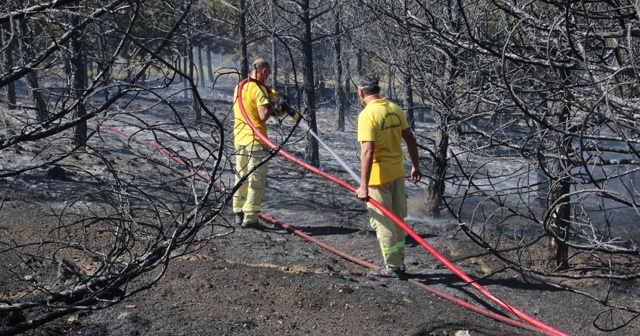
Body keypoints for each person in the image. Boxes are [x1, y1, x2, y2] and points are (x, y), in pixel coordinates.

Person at [354, 73, 422, 278]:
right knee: (398, 219)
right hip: (398, 174)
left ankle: (392, 267)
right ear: (378, 90)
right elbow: (410, 139)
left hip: (378, 179)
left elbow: (367, 151)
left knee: (382, 221)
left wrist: (363, 186)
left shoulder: (367, 115)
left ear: (361, 92)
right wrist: (415, 166)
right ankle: (399, 262)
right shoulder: (394, 109)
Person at [232, 58, 282, 229]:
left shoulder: (240, 87)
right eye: (267, 75)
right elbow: (263, 115)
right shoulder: (258, 89)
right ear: (263, 71)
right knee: (256, 180)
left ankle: (238, 211)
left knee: (241, 176)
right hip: (256, 141)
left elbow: (249, 109)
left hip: (239, 139)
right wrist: (273, 102)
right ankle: (251, 218)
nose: (267, 79)